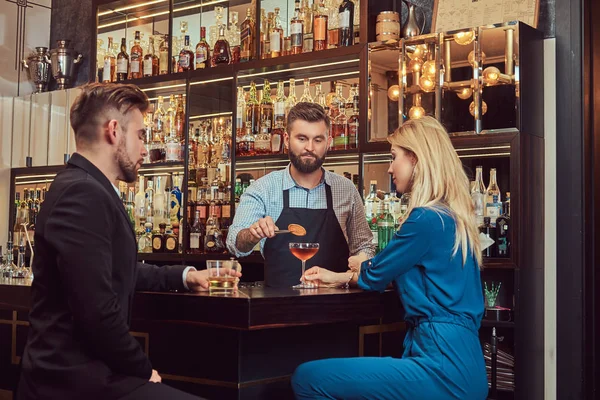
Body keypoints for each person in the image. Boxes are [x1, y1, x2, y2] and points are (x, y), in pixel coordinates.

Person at [17, 83, 240, 400]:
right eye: (141, 135)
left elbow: (114, 270)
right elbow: (96, 311)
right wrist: (143, 370)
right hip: (74, 383)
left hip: (94, 375)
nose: (146, 149)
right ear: (113, 131)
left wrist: (184, 276)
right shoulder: (83, 193)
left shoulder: (86, 186)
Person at [291, 116, 488, 399]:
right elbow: (401, 273)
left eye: (394, 157)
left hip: (440, 364)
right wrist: (346, 275)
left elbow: (375, 273)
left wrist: (361, 267)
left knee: (307, 379)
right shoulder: (453, 218)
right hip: (465, 363)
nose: (390, 167)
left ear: (417, 161)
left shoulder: (424, 218)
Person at [226, 102, 374, 288]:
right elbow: (235, 244)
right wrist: (252, 234)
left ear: (328, 143)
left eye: (318, 140)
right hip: (277, 307)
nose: (309, 147)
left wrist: (361, 260)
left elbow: (365, 246)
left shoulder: (346, 190)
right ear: (287, 140)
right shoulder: (263, 188)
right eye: (302, 138)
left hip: (336, 307)